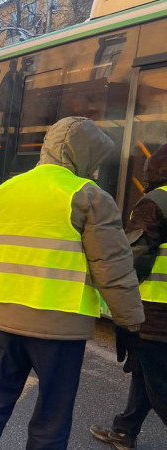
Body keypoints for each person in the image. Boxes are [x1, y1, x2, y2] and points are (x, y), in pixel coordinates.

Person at [0, 117, 145, 450]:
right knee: (51, 417)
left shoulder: (4, 191)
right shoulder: (89, 196)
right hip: (61, 329)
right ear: (84, 154)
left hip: (5, 320)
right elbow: (113, 270)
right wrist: (129, 324)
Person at [89, 143, 167, 450]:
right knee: (144, 370)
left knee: (159, 381)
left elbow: (132, 256)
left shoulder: (156, 201)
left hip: (156, 311)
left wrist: (118, 302)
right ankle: (124, 430)